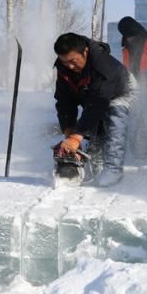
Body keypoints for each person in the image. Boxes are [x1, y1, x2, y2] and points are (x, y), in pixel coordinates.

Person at [53, 32, 138, 187]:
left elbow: (99, 102)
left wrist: (77, 137)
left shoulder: (102, 64)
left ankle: (113, 169)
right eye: (64, 62)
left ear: (85, 51)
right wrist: (69, 133)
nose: (69, 66)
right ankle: (94, 165)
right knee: (95, 129)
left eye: (73, 61)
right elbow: (65, 101)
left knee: (114, 119)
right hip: (93, 95)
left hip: (122, 91)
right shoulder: (63, 69)